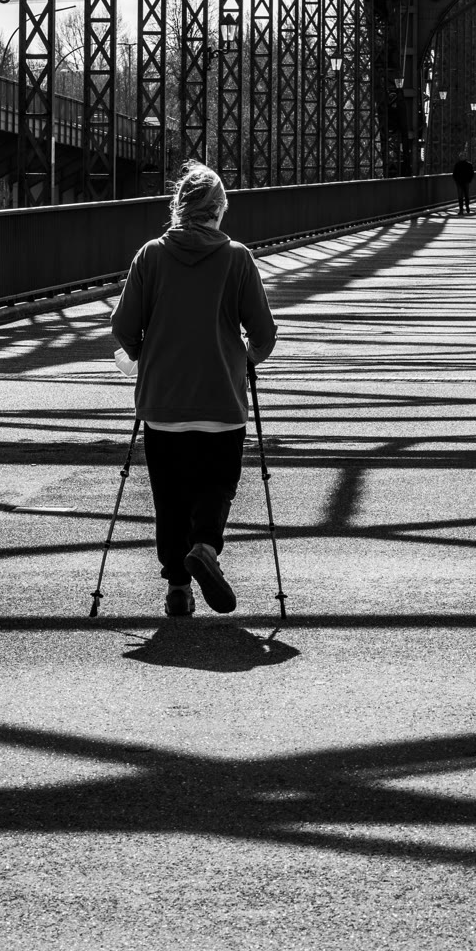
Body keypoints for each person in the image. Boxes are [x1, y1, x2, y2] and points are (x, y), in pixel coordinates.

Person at [110, 162, 277, 620]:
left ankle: (178, 590)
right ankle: (205, 546)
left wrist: (145, 356)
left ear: (178, 208)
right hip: (221, 398)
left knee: (169, 497)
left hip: (163, 402)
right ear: (219, 209)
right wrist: (245, 360)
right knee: (217, 483)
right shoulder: (237, 257)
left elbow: (123, 326)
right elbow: (264, 332)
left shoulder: (150, 256)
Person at [452, 148, 475, 215]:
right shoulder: (458, 165)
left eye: (463, 156)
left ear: (465, 157)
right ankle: (461, 209)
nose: (462, 157)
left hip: (465, 182)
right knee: (461, 196)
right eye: (461, 156)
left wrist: (469, 180)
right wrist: (457, 181)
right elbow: (454, 174)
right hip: (460, 182)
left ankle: (467, 206)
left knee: (466, 195)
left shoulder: (468, 164)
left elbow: (472, 173)